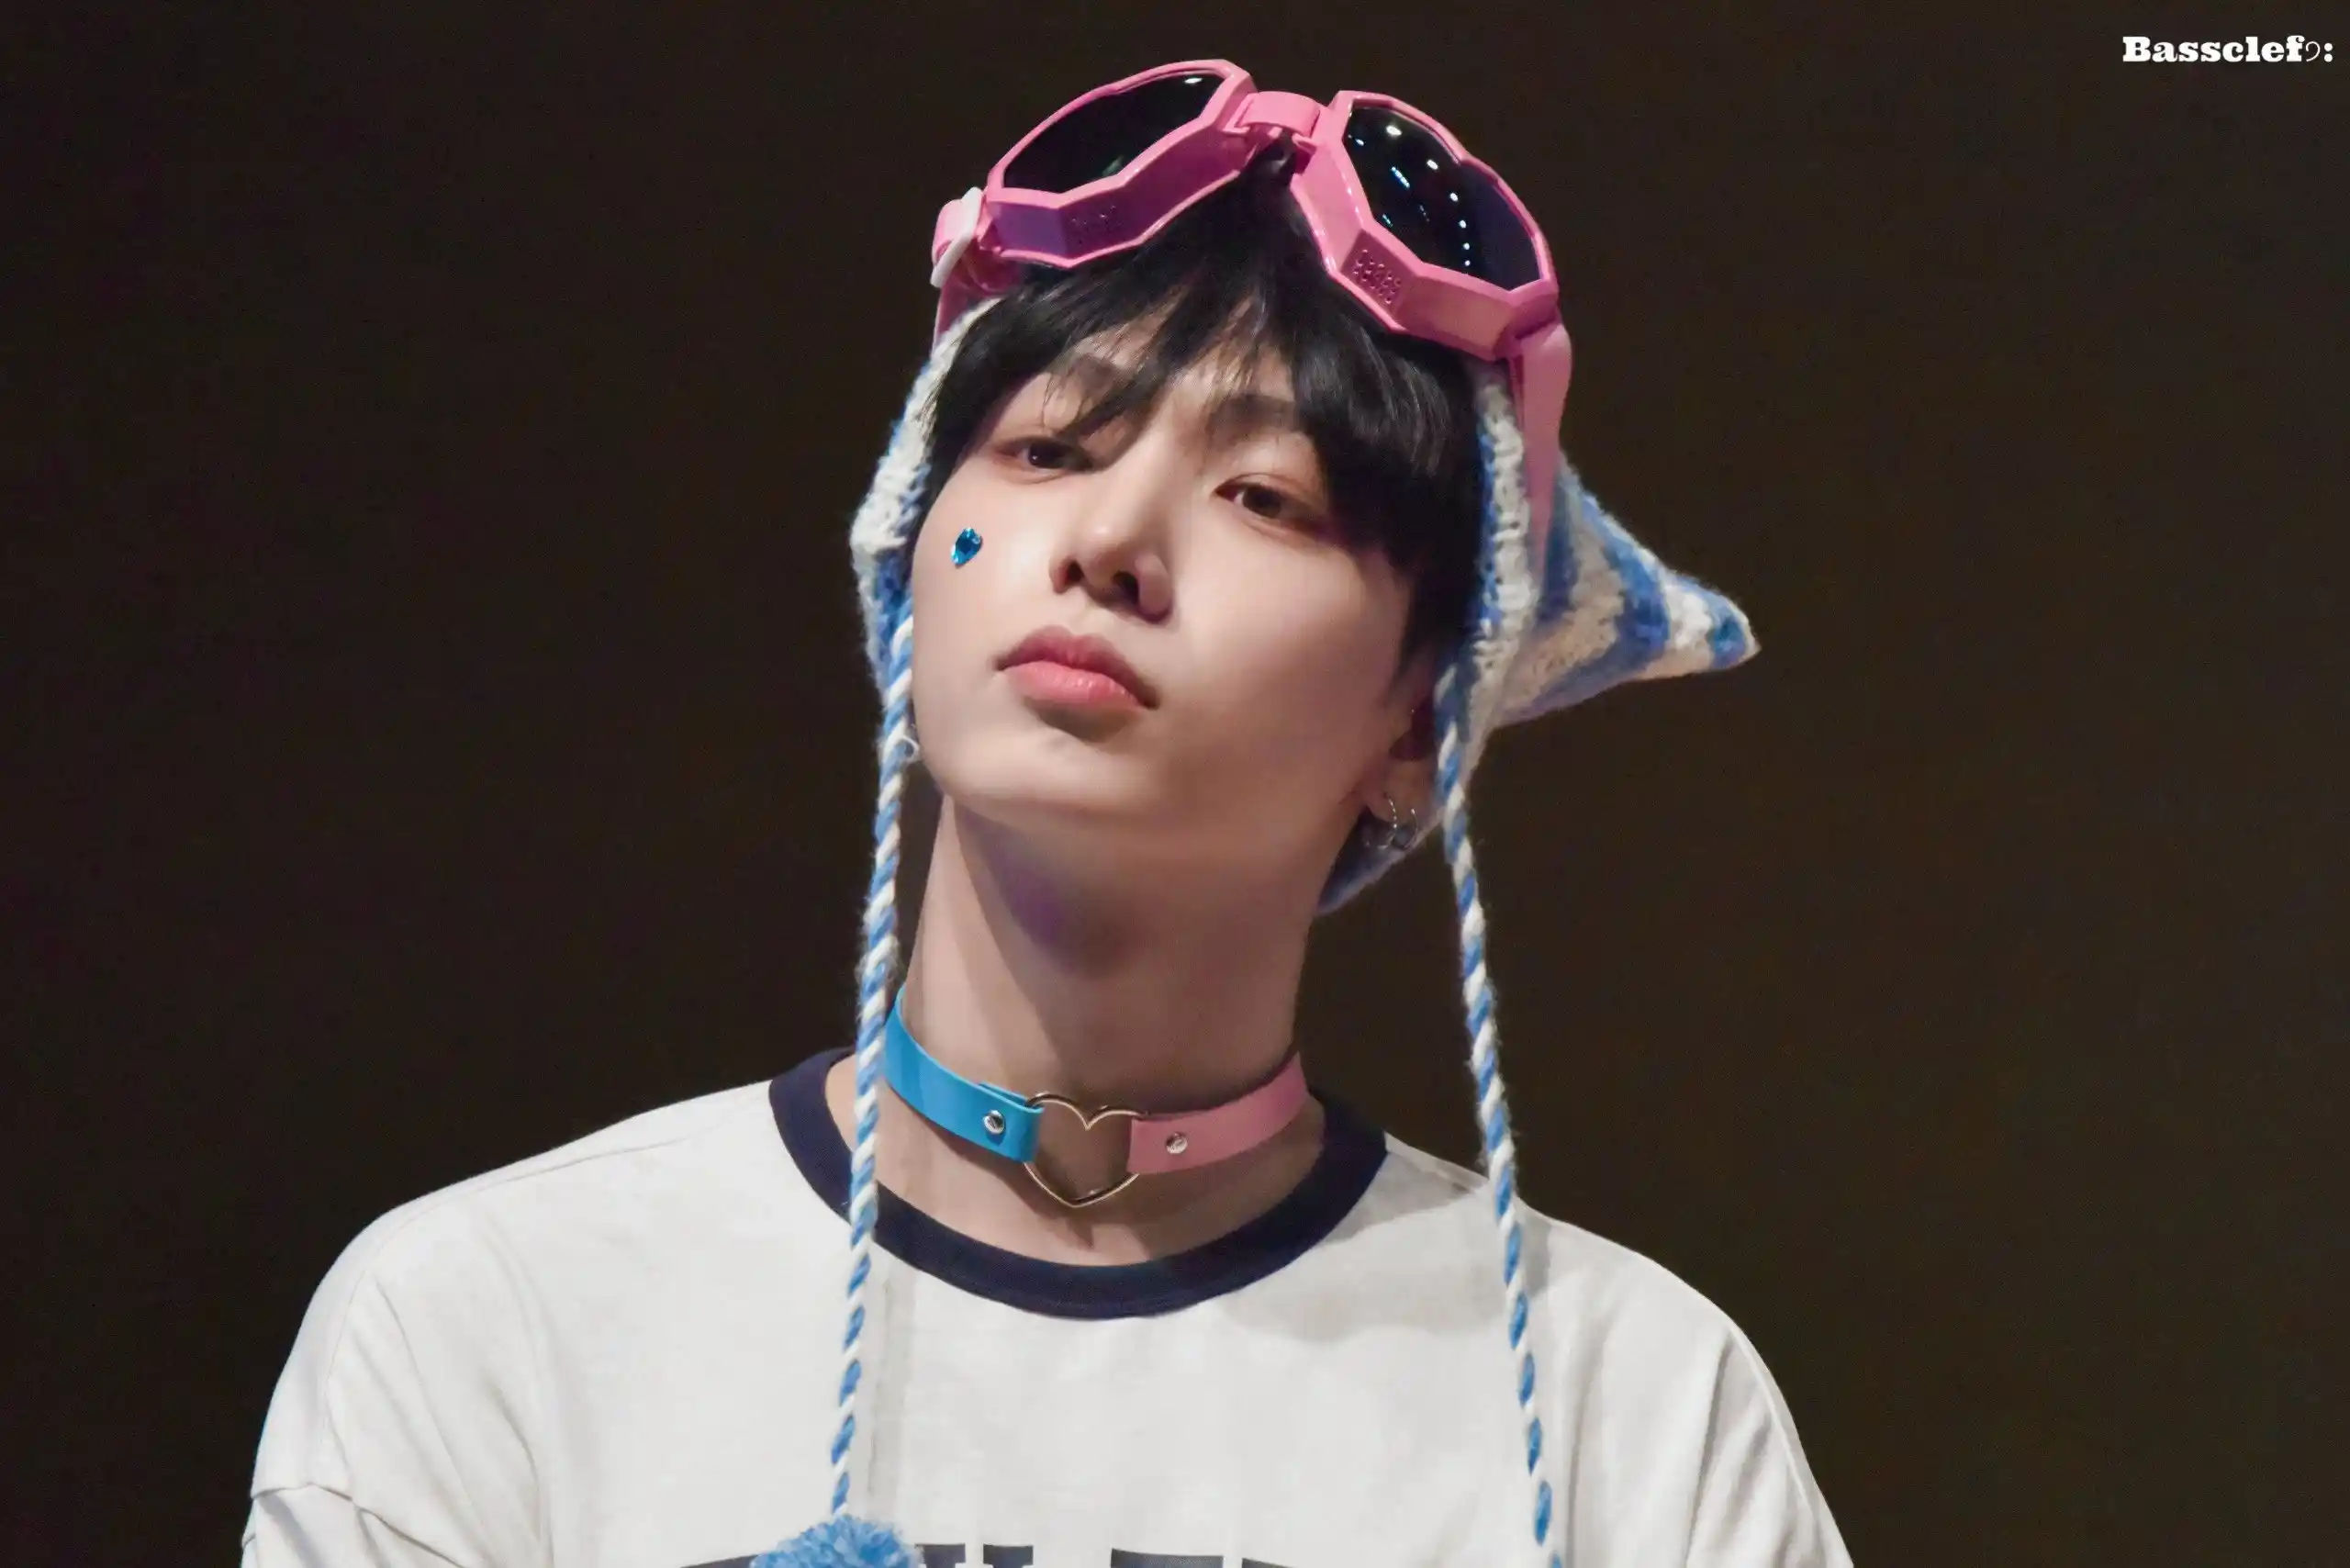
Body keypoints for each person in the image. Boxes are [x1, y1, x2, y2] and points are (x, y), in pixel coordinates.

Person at [244, 62, 1852, 1568]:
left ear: (1428, 721)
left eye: (1267, 496)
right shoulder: (495, 1327)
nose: (1110, 539)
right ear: (907, 568)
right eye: (1046, 446)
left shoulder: (1631, 1409)